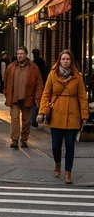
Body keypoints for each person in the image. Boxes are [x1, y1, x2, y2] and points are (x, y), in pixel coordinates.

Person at [38, 49, 89, 184]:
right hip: (56, 114)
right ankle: (57, 163)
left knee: (70, 146)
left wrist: (84, 115)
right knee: (56, 146)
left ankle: (68, 173)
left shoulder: (77, 76)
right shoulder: (52, 75)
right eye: (63, 59)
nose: (65, 61)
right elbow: (46, 94)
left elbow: (82, 97)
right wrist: (42, 112)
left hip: (73, 115)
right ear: (59, 61)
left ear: (71, 61)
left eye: (68, 59)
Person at [4, 46, 44, 149]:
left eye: (21, 54)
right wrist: (7, 93)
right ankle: (15, 140)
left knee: (26, 121)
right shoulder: (11, 67)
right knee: (15, 119)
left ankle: (24, 139)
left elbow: (39, 83)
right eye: (18, 54)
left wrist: (37, 95)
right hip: (14, 99)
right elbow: (6, 82)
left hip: (27, 98)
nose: (19, 56)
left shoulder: (33, 68)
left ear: (26, 55)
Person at [30, 48, 50, 127]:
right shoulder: (43, 62)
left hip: (35, 84)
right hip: (43, 83)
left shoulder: (33, 64)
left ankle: (34, 119)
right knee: (42, 100)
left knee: (34, 102)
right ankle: (42, 115)